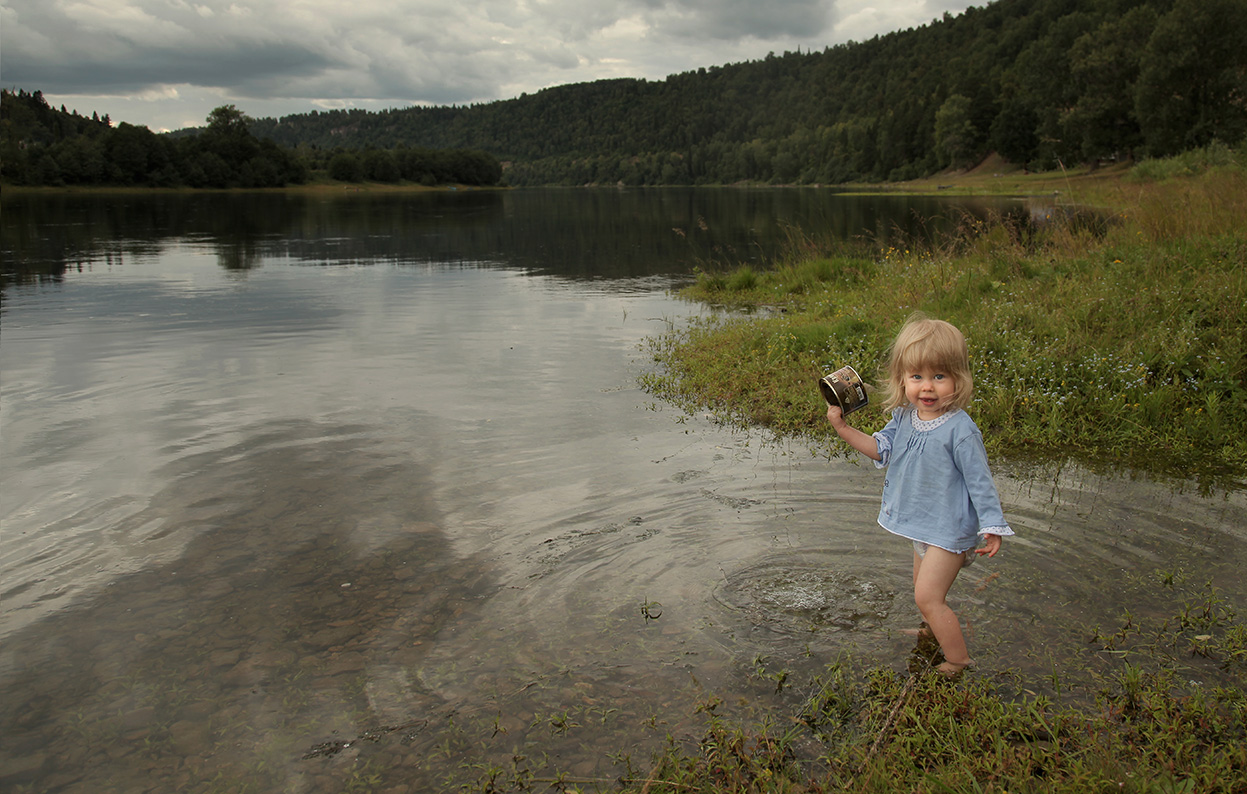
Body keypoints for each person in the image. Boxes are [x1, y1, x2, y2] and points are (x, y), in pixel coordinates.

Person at [826, 313, 1012, 677]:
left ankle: (959, 660)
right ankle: (930, 631)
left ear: (959, 379)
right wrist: (843, 428)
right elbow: (881, 449)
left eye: (939, 377)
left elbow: (980, 481)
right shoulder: (905, 417)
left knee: (927, 596)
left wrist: (992, 525)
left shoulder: (961, 430)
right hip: (922, 527)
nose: (927, 388)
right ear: (902, 379)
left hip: (949, 530)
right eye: (917, 377)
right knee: (922, 592)